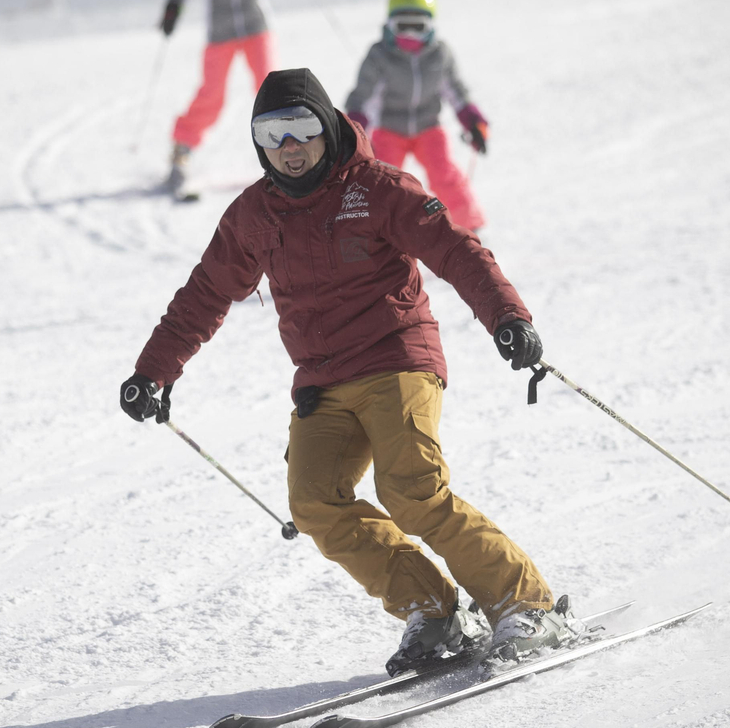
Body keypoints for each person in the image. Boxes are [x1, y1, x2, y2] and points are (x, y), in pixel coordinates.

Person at [119, 67, 580, 675]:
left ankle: (526, 604)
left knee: (411, 491)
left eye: (300, 128)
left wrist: (506, 317)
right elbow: (205, 293)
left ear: (328, 124)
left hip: (396, 359)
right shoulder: (253, 215)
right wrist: (155, 372)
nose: (288, 147)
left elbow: (454, 247)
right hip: (321, 381)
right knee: (313, 502)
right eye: (271, 133)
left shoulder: (378, 187)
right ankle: (434, 610)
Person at [159, 0, 318, 196]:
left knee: (270, 88)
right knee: (212, 95)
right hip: (220, 32)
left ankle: (288, 155)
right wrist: (172, 8)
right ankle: (181, 151)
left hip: (256, 28)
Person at [344, 0, 490, 232]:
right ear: (390, 25)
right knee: (381, 182)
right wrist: (353, 134)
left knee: (444, 175)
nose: (410, 34)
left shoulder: (439, 55)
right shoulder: (380, 56)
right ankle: (375, 233)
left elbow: (456, 91)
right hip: (389, 130)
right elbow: (363, 98)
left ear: (430, 27)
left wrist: (473, 121)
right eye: (403, 26)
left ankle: (468, 229)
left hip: (428, 128)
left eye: (418, 27)